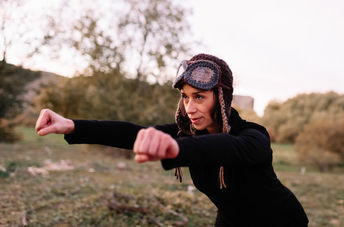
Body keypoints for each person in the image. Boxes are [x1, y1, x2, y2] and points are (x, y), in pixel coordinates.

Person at [35, 53, 309, 226]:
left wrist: (175, 148)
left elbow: (227, 148)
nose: (189, 107)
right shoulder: (187, 134)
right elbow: (133, 133)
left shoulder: (253, 136)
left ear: (221, 98)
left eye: (199, 97)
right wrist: (71, 126)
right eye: (185, 96)